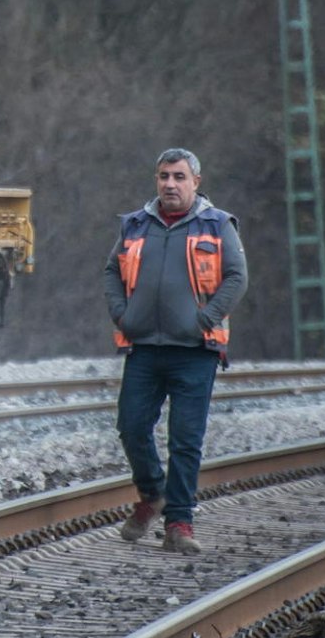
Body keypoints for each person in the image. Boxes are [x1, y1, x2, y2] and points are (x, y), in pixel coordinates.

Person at [102, 147, 248, 555]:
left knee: (185, 440)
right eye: (164, 176)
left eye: (179, 177)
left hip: (196, 352)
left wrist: (205, 320)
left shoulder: (218, 225)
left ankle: (179, 523)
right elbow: (112, 270)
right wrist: (121, 314)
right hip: (144, 348)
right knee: (131, 426)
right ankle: (152, 494)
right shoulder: (135, 224)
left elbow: (237, 277)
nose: (170, 184)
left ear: (196, 182)